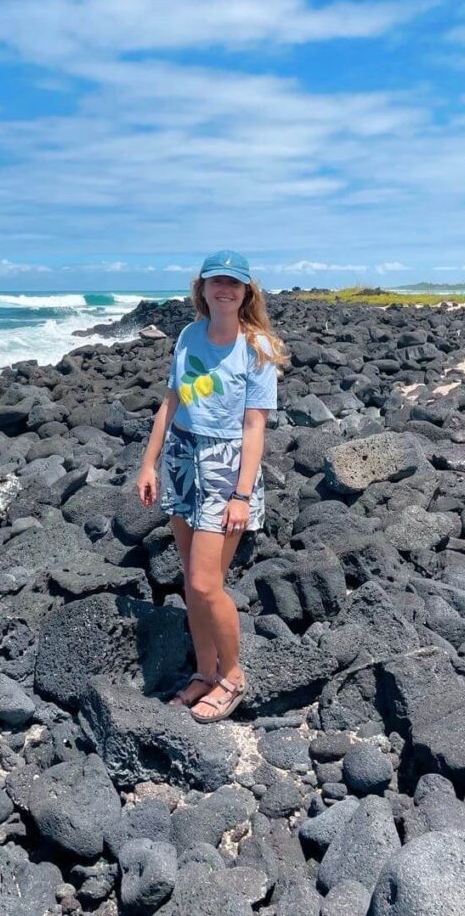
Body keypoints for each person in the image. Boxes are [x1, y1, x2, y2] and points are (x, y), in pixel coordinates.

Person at [136, 249, 288, 723]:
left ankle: (234, 677)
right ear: (201, 288)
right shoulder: (187, 335)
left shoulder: (257, 346)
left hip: (226, 465)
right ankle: (205, 671)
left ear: (246, 292)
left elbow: (253, 428)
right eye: (215, 281)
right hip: (183, 457)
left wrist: (242, 495)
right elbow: (172, 401)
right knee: (192, 582)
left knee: (206, 583)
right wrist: (149, 463)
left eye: (234, 283)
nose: (224, 288)